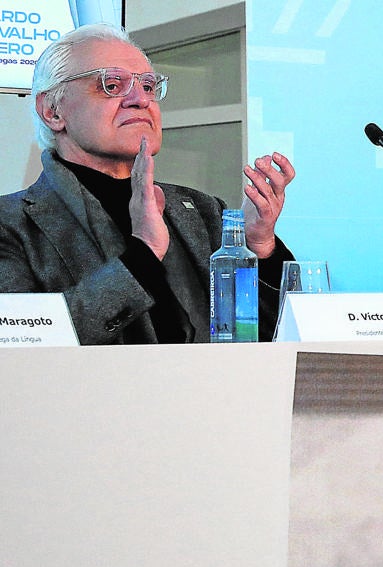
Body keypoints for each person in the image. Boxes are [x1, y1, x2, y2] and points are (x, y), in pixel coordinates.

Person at [0, 24, 296, 344]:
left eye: (149, 86)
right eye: (112, 85)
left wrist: (258, 248)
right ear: (52, 110)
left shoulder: (205, 212)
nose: (140, 99)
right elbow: (22, 345)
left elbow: (279, 339)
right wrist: (144, 252)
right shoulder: (10, 224)